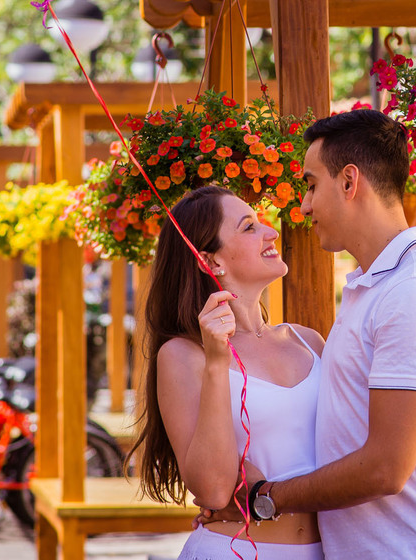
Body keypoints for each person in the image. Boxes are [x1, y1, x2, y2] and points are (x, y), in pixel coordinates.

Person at [203, 109, 416, 559]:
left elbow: (386, 468)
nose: (303, 206)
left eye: (310, 184)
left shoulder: (413, 290)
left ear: (348, 182)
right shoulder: (375, 285)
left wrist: (266, 498)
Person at [129, 185, 326, 559]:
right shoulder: (184, 355)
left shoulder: (309, 341)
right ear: (210, 261)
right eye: (249, 227)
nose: (271, 232)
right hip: (234, 551)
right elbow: (214, 491)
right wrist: (218, 362)